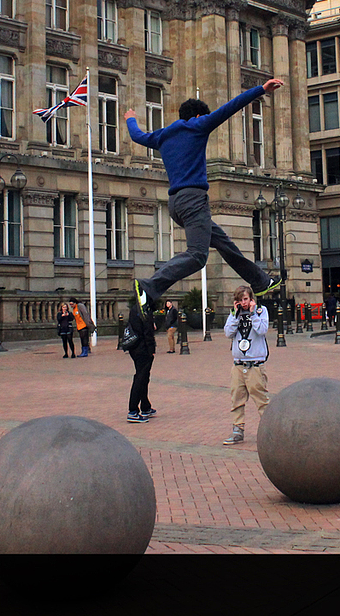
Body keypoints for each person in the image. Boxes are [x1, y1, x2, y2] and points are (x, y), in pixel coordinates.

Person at [123, 82, 286, 329]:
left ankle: (261, 281)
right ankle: (149, 286)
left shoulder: (163, 135)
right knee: (197, 256)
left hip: (176, 204)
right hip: (194, 199)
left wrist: (130, 119)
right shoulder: (198, 125)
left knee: (223, 243)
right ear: (198, 116)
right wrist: (261, 89)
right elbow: (231, 107)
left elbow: (137, 136)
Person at [222, 285, 271, 446]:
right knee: (236, 399)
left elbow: (262, 329)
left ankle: (270, 430)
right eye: (240, 300)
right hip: (238, 364)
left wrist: (252, 314)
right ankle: (238, 430)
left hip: (255, 364)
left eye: (246, 299)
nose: (243, 303)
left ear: (251, 299)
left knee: (261, 399)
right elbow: (228, 332)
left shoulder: (260, 311)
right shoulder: (234, 314)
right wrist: (235, 315)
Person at [125, 294, 157, 423]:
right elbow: (147, 332)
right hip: (142, 349)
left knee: (143, 377)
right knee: (140, 378)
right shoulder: (144, 311)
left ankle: (145, 406)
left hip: (135, 347)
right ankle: (133, 410)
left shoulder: (136, 309)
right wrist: (151, 350)